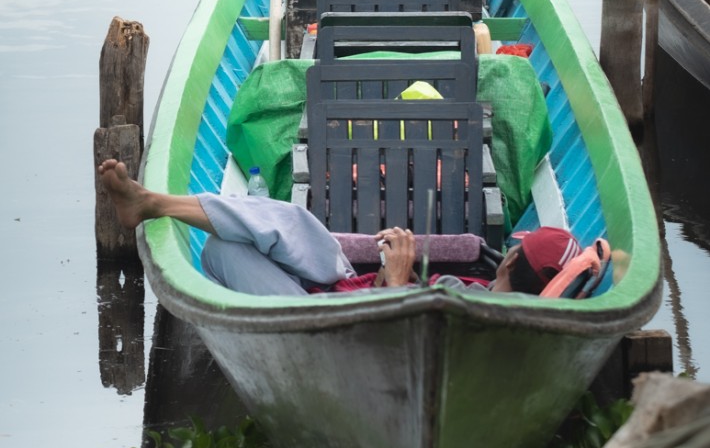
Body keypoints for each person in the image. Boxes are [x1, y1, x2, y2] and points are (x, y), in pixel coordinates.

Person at [98, 159, 582, 298]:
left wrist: (394, 282)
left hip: (320, 327)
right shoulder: (477, 285)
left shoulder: (479, 310)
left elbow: (405, 349)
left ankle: (154, 203)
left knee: (220, 253)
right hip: (338, 289)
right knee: (289, 222)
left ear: (515, 257)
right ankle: (153, 203)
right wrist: (386, 276)